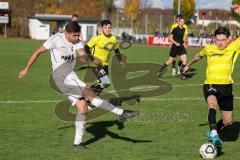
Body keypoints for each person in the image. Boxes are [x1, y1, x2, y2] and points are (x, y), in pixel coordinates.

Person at [18, 21, 139, 149]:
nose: (77, 38)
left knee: (83, 108)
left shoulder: (76, 41)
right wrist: (26, 69)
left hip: (70, 76)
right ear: (68, 33)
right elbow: (36, 52)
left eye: (78, 35)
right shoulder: (55, 39)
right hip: (62, 77)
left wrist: (87, 58)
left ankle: (77, 143)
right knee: (90, 94)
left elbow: (82, 52)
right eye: (75, 36)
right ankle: (121, 113)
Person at [183, 27, 240, 146]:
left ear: (228, 40)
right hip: (210, 85)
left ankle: (212, 131)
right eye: (218, 39)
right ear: (214, 39)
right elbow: (198, 56)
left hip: (226, 87)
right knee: (212, 104)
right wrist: (188, 64)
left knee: (228, 121)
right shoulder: (209, 49)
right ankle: (214, 133)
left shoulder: (233, 47)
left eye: (223, 40)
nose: (220, 42)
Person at [85, 19, 125, 94]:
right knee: (106, 82)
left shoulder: (113, 38)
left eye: (109, 27)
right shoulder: (97, 37)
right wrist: (93, 59)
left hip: (105, 64)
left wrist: (120, 60)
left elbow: (116, 50)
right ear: (102, 28)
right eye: (105, 27)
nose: (107, 29)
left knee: (102, 85)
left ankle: (89, 99)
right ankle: (86, 92)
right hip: (95, 65)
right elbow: (86, 48)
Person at [158, 15, 188, 79]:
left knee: (185, 60)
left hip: (181, 47)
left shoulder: (184, 29)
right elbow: (170, 37)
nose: (183, 22)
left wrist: (184, 43)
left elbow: (182, 38)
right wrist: (175, 43)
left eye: (183, 21)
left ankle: (182, 75)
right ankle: (160, 70)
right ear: (178, 22)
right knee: (170, 61)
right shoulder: (175, 29)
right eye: (181, 21)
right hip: (175, 47)